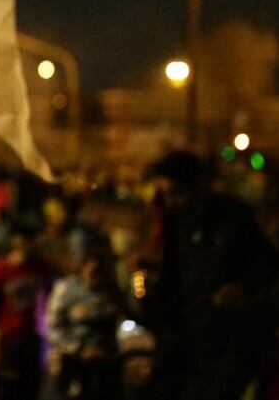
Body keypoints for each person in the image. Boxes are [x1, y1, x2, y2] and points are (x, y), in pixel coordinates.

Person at [148, 151, 279, 400]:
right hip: (189, 341)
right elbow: (173, 277)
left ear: (196, 186)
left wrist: (244, 291)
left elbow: (269, 267)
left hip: (228, 340)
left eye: (176, 192)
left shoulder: (234, 219)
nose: (171, 201)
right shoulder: (175, 223)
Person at [0, 230, 47, 400]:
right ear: (16, 245)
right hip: (9, 337)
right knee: (7, 386)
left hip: (33, 336)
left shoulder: (40, 268)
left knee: (32, 386)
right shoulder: (1, 269)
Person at [45, 252, 121, 400]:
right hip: (74, 364)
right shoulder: (66, 290)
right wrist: (78, 349)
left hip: (105, 363)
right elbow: (53, 328)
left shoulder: (110, 290)